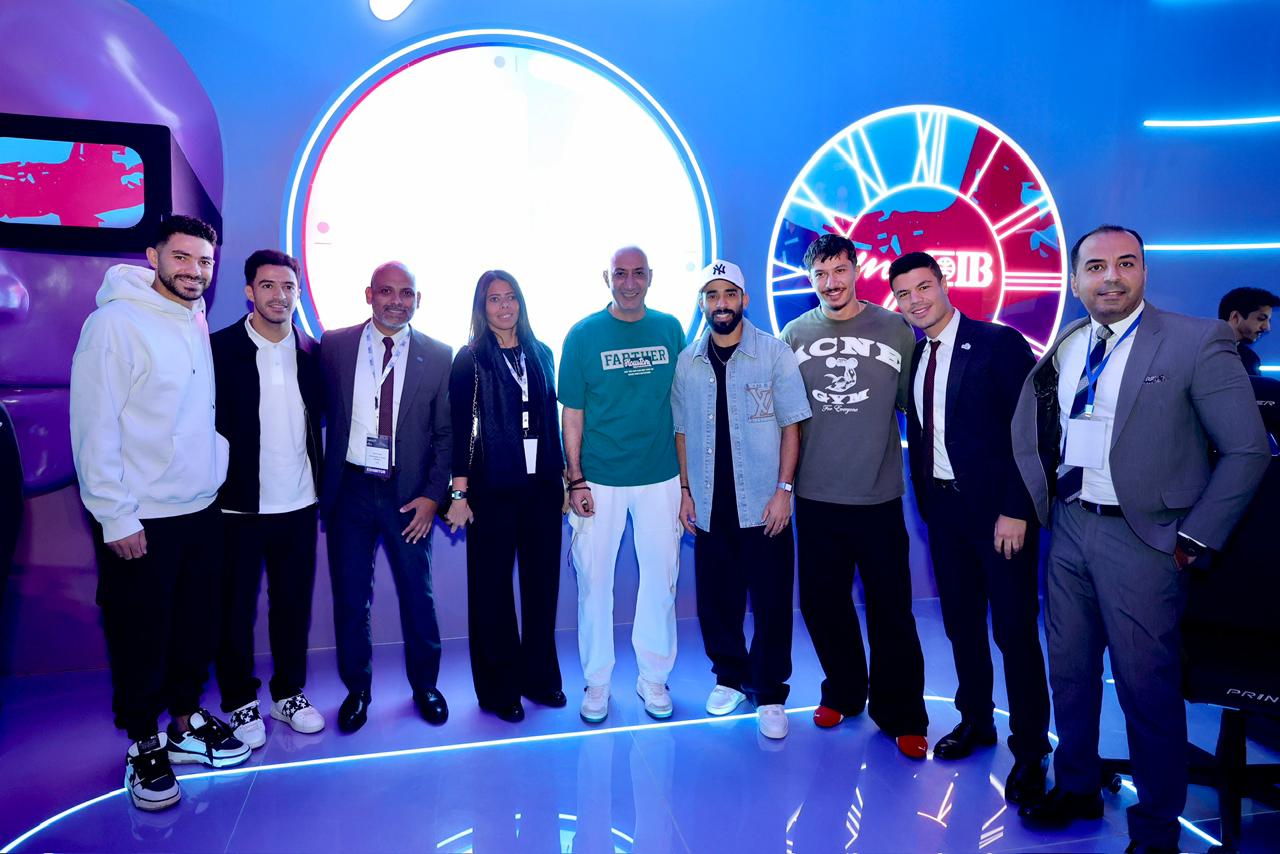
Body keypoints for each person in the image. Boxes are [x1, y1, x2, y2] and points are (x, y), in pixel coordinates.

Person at [1012, 225, 1269, 853]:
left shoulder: (1195, 340)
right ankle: (1078, 786)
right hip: (1069, 528)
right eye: (1096, 267)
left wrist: (1195, 537)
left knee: (1145, 689)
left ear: (1145, 273)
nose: (1111, 277)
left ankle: (1156, 829)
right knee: (1070, 675)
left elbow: (1248, 449)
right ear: (1076, 280)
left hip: (1145, 540)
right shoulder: (1070, 342)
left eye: (1126, 264)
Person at [70, 215, 248, 811]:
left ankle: (184, 721)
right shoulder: (113, 325)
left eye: (205, 261)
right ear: (153, 257)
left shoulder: (192, 317)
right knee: (140, 632)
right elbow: (94, 426)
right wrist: (115, 516)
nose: (195, 271)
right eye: (182, 258)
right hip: (141, 516)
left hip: (199, 507)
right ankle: (143, 742)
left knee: (194, 627)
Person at [891, 252, 1051, 801]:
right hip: (944, 514)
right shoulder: (915, 355)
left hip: (1001, 517)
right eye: (904, 293)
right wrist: (930, 506)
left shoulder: (997, 342)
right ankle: (976, 721)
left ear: (944, 283)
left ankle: (1031, 749)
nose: (915, 300)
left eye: (923, 287)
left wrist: (1017, 508)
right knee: (961, 625)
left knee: (1014, 633)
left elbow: (1031, 430)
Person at [779, 232, 930, 759]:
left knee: (892, 610)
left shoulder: (896, 329)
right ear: (811, 279)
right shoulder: (794, 334)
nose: (831, 282)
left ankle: (902, 713)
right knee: (823, 605)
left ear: (856, 269)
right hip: (816, 497)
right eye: (820, 274)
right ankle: (844, 691)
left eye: (839, 270)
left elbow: (919, 407)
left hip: (878, 498)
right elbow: (783, 417)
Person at [671, 259, 810, 739]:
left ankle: (769, 691)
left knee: (771, 602)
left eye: (729, 294)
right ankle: (729, 677)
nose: (721, 303)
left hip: (765, 503)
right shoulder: (688, 363)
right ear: (702, 304)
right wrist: (686, 491)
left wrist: (784, 491)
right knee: (717, 600)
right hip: (710, 504)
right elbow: (681, 431)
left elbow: (792, 425)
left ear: (744, 300)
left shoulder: (774, 353)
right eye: (712, 295)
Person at [318, 261, 453, 733]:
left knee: (419, 595)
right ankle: (357, 690)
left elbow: (446, 434)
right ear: (369, 294)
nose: (397, 301)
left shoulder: (439, 354)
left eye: (406, 293)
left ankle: (426, 686)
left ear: (418, 299)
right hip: (350, 490)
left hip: (409, 495)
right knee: (351, 598)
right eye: (387, 291)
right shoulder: (334, 345)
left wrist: (433, 497)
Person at [560, 245, 685, 723]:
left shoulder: (670, 329)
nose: (629, 283)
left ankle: (653, 677)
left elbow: (681, 408)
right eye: (620, 274)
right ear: (606, 278)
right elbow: (572, 414)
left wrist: (686, 483)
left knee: (661, 581)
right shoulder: (583, 334)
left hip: (660, 476)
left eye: (637, 274)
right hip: (599, 479)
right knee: (594, 583)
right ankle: (597, 682)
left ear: (650, 277)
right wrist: (576, 479)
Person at [211, 250, 326, 748]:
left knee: (292, 606)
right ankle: (239, 700)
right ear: (249, 291)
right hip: (237, 507)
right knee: (234, 610)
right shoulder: (218, 349)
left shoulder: (312, 353)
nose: (279, 296)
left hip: (299, 505)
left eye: (288, 287)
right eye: (267, 286)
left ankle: (288, 693)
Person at [445, 270, 566, 723]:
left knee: (542, 587)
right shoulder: (470, 358)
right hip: (491, 491)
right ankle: (500, 690)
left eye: (511, 297)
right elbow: (462, 429)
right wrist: (459, 492)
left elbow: (551, 419)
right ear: (482, 307)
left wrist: (563, 478)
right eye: (494, 299)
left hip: (541, 488)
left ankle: (539, 678)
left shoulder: (542, 353)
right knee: (492, 591)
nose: (504, 306)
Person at [1217, 286, 1279, 376]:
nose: (1267, 328)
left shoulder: (1250, 359)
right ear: (1235, 317)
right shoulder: (1200, 349)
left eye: (1269, 320)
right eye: (1261, 319)